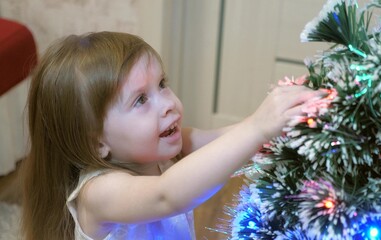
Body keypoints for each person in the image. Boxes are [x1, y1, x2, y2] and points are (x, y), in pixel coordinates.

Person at [21, 31, 326, 240]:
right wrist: (259, 125)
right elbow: (168, 195)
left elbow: (226, 140)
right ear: (97, 142)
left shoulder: (167, 152)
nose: (168, 104)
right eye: (141, 100)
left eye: (162, 84)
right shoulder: (98, 193)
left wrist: (285, 117)